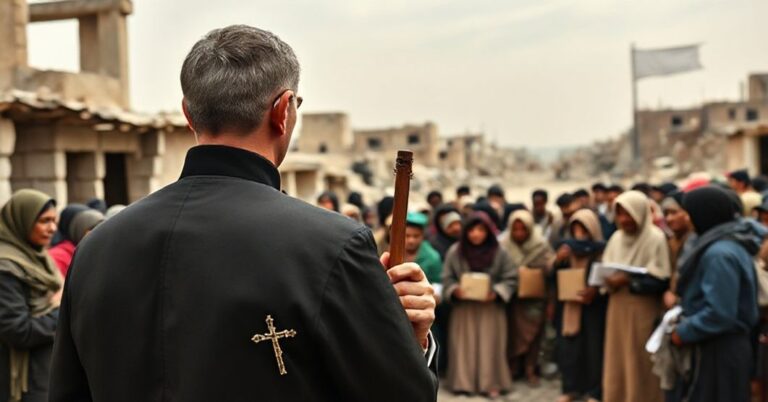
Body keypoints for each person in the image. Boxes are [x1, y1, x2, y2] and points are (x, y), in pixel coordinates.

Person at [49, 25, 438, 402]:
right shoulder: (332, 247)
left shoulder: (96, 248)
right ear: (283, 111)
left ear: (188, 114)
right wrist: (410, 340)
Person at [669, 186, 761, 402]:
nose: (688, 221)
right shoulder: (724, 245)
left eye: (690, 213)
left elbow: (720, 313)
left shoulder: (719, 254)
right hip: (722, 347)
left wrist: (684, 331)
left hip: (721, 349)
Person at [601, 191, 671, 402]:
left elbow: (661, 278)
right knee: (618, 361)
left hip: (643, 310)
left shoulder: (655, 238)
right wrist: (609, 281)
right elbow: (606, 268)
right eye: (620, 215)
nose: (624, 220)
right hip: (617, 308)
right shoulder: (616, 238)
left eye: (629, 214)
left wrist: (629, 281)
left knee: (640, 363)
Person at [442, 212, 516, 397]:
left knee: (490, 347)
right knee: (464, 346)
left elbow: (511, 277)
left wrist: (496, 292)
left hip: (490, 309)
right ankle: (463, 383)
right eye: (472, 229)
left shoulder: (500, 252)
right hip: (464, 310)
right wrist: (454, 290)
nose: (476, 234)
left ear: (488, 231)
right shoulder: (456, 251)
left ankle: (491, 384)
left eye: (481, 230)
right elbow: (447, 278)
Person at [0, 189, 62, 402]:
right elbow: (18, 330)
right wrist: (61, 311)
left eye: (54, 221)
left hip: (44, 372)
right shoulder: (6, 268)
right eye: (44, 221)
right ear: (22, 220)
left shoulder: (38, 258)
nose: (52, 228)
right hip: (22, 381)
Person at [556, 209, 607, 402]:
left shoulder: (601, 250)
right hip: (570, 307)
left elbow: (605, 276)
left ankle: (594, 392)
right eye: (576, 228)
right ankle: (570, 389)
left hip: (593, 308)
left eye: (583, 228)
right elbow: (552, 275)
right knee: (569, 350)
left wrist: (594, 290)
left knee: (593, 350)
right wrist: (558, 260)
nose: (579, 233)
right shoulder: (566, 249)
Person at [500, 210, 554, 386]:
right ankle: (514, 367)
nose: (519, 234)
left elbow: (550, 272)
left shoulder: (541, 245)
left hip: (535, 299)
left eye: (523, 229)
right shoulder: (503, 244)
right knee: (513, 334)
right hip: (512, 299)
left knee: (533, 336)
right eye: (515, 229)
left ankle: (531, 369)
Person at [660, 192, 694, 309]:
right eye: (666, 214)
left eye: (674, 212)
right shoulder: (669, 241)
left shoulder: (694, 241)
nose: (669, 218)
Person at [48, 208, 104, 277]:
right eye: (93, 229)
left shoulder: (90, 254)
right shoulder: (59, 256)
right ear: (79, 229)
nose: (98, 235)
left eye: (102, 230)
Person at [405, 212, 442, 286]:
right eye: (407, 236)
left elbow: (437, 284)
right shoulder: (393, 251)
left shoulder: (433, 257)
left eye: (416, 236)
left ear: (422, 236)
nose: (411, 240)